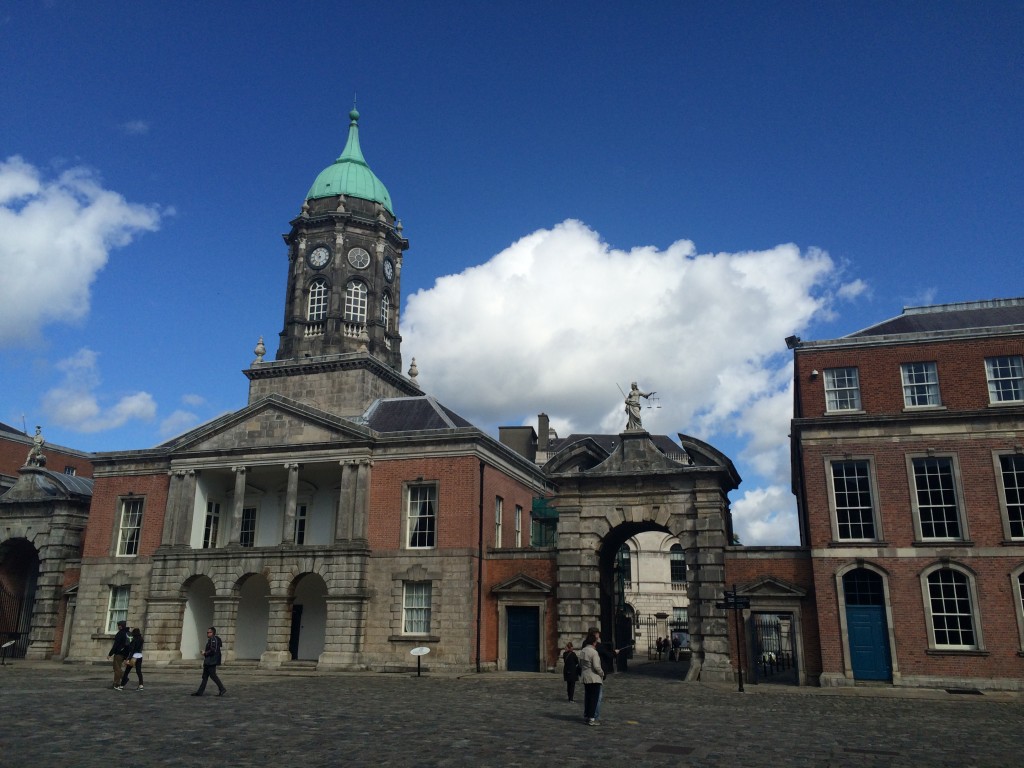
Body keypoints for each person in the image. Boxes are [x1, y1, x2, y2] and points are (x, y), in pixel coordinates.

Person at [578, 631, 603, 726]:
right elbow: (597, 667)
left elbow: (580, 664)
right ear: (594, 643)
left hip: (585, 676)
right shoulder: (594, 652)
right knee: (594, 699)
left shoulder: (583, 651)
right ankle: (592, 718)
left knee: (588, 698)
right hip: (594, 678)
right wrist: (602, 673)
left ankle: (587, 716)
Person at [192, 627, 226, 696]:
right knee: (205, 677)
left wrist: (205, 653)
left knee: (213, 676)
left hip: (211, 661)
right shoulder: (211, 640)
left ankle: (222, 688)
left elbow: (213, 650)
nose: (207, 633)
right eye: (207, 632)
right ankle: (199, 692)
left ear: (213, 633)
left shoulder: (213, 639)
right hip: (208, 661)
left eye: (209, 632)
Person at [108, 619, 131, 690]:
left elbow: (116, 645)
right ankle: (123, 678)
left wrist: (110, 654)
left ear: (121, 626)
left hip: (119, 653)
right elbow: (130, 644)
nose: (118, 627)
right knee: (118, 668)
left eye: (118, 625)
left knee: (116, 668)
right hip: (126, 653)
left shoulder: (120, 633)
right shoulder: (129, 633)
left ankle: (117, 683)